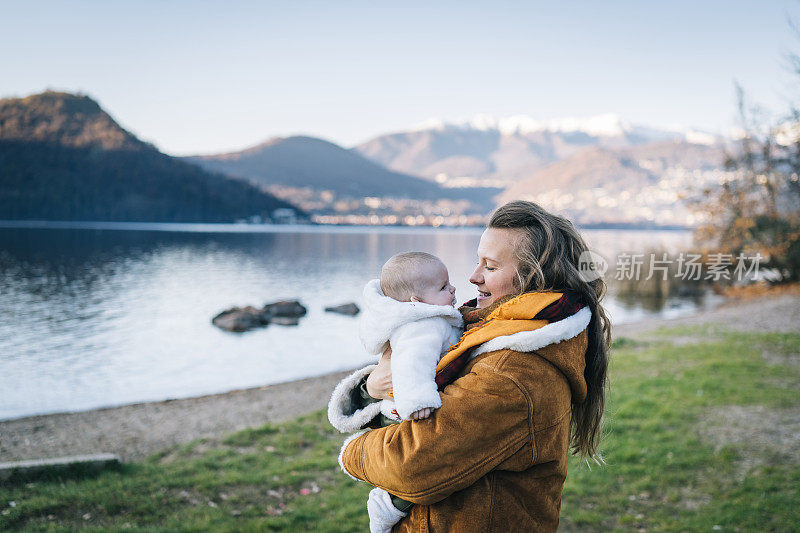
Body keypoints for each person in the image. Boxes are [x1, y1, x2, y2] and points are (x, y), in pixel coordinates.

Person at [328, 200, 611, 532]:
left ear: (534, 277)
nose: (473, 276)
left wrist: (351, 451)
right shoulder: (485, 330)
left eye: (489, 266)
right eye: (478, 262)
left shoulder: (514, 371)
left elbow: (410, 464)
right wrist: (370, 387)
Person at [329, 251, 464, 533]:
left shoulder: (428, 317)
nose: (452, 289)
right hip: (406, 409)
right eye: (442, 287)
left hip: (397, 406)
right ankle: (387, 503)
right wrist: (417, 402)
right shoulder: (424, 324)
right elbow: (411, 364)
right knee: (422, 467)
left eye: (449, 283)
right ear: (416, 301)